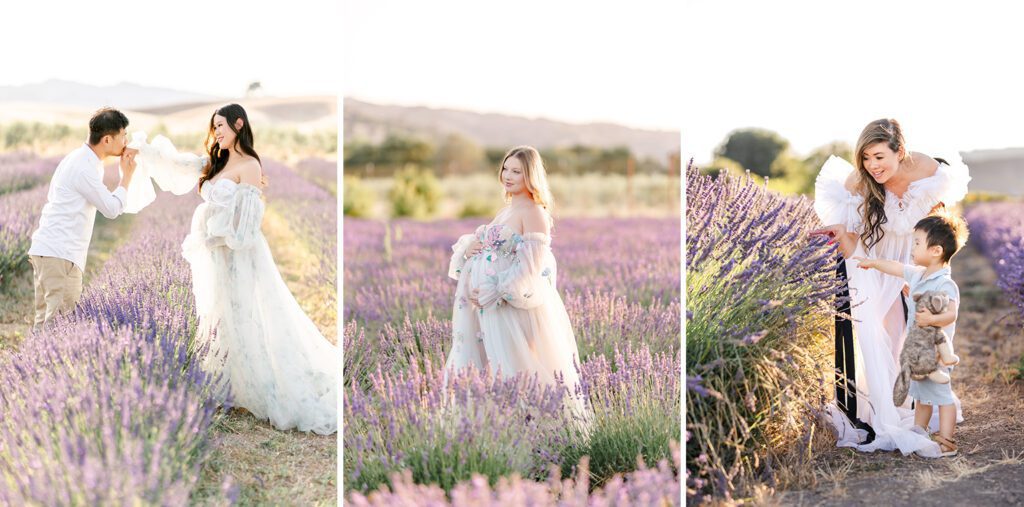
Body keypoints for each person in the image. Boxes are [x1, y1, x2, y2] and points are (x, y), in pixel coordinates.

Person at [131, 103, 337, 435]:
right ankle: (226, 385)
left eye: (221, 126)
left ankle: (255, 386)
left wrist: (216, 234)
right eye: (214, 128)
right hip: (214, 255)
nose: (217, 133)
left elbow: (248, 225)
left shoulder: (250, 166)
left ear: (238, 124)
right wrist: (143, 151)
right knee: (217, 312)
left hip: (239, 254)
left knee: (244, 311)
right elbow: (175, 165)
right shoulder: (217, 161)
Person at [811, 118, 970, 457]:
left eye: (880, 156)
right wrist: (839, 235)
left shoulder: (925, 169)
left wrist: (928, 275)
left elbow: (939, 229)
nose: (873, 166)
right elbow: (851, 230)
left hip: (911, 259)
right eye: (866, 158)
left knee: (910, 337)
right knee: (880, 333)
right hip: (875, 259)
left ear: (900, 151)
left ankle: (916, 401)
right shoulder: (858, 181)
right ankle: (882, 404)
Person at [445, 146, 588, 426]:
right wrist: (472, 246)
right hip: (486, 306)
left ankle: (534, 432)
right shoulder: (508, 210)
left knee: (516, 367)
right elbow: (495, 249)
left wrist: (494, 291)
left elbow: (531, 267)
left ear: (530, 176)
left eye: (516, 172)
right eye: (505, 169)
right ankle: (494, 429)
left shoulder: (534, 213)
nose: (507, 176)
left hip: (510, 304)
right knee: (493, 368)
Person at [853, 212, 969, 457]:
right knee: (921, 393)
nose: (912, 247)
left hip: (936, 351)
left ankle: (947, 441)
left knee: (941, 395)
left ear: (936, 250)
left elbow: (951, 313)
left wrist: (932, 319)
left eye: (917, 242)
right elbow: (896, 267)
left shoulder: (944, 283)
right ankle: (920, 430)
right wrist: (874, 263)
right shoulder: (919, 274)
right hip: (917, 349)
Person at [27, 108, 138, 327]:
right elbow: (111, 209)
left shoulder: (79, 159)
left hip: (49, 251)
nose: (126, 140)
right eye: (123, 135)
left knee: (45, 324)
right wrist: (126, 178)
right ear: (107, 139)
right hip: (60, 255)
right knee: (61, 325)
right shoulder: (84, 167)